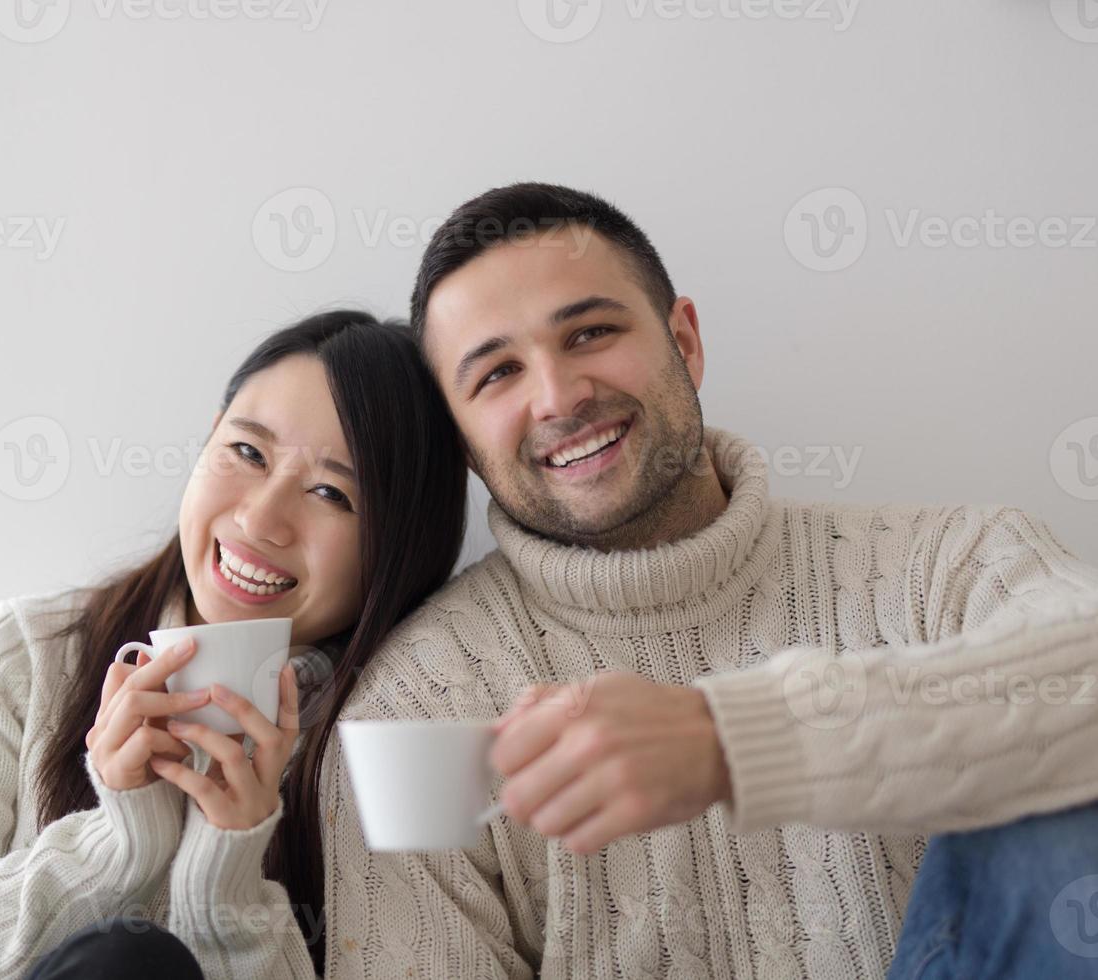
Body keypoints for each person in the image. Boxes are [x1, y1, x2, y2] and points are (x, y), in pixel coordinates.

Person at [235, 183, 1098, 977]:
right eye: (497, 373)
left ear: (683, 339)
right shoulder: (418, 704)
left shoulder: (944, 567)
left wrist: (733, 740)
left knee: (1063, 784)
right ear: (463, 439)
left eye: (591, 334)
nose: (559, 395)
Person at [0, 310, 467, 979]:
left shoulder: (392, 744)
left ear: (399, 545)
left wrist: (226, 873)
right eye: (247, 453)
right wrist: (118, 844)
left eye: (331, 492)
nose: (260, 518)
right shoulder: (31, 656)